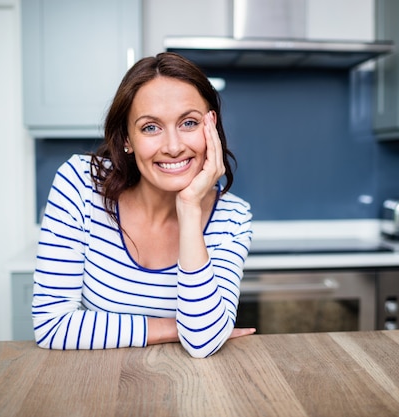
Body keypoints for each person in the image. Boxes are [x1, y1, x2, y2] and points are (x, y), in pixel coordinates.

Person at [32, 52, 255, 358]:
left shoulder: (233, 217)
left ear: (210, 127)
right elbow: (52, 325)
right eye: (151, 127)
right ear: (127, 138)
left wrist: (189, 208)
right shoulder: (80, 185)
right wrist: (176, 327)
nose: (174, 147)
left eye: (188, 123)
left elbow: (202, 344)